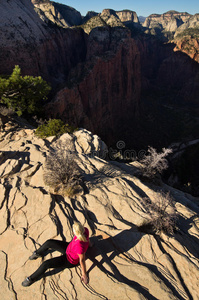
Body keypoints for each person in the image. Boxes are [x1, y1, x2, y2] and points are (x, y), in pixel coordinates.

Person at [22, 222, 90, 287]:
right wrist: (88, 244)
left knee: (46, 264)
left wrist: (84, 275)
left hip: (69, 260)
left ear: (75, 233)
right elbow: (87, 239)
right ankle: (37, 253)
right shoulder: (85, 230)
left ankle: (31, 279)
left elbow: (82, 260)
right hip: (69, 248)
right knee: (49, 242)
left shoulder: (79, 246)